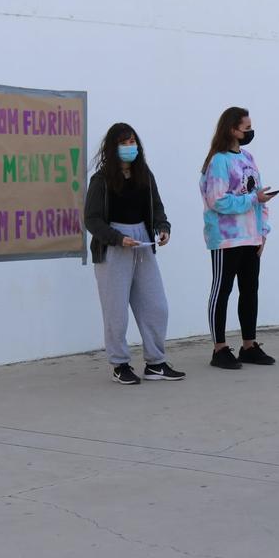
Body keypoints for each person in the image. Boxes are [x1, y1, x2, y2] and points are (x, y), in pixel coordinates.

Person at [83, 122, 185, 385]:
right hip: (114, 247)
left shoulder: (144, 175)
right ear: (112, 147)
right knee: (116, 310)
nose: (130, 148)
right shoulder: (101, 180)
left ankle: (156, 363)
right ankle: (120, 365)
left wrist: (162, 227)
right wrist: (117, 238)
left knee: (156, 305)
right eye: (124, 143)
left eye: (132, 143)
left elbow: (157, 207)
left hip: (142, 244)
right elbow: (92, 220)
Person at [199, 107, 278, 369]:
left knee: (249, 290)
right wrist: (252, 199)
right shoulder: (218, 161)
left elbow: (259, 195)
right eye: (246, 128)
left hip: (250, 237)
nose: (249, 132)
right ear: (232, 129)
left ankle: (249, 345)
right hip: (226, 238)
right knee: (222, 290)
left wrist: (262, 231)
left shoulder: (248, 158)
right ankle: (219, 348)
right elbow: (217, 200)